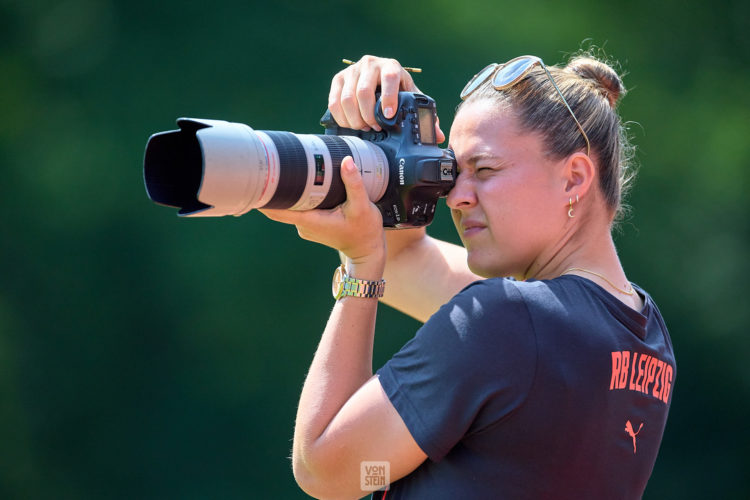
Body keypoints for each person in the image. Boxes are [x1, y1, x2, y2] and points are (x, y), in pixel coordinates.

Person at [261, 53, 675, 499]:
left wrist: (360, 268)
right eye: (453, 172)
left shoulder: (508, 320)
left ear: (574, 178)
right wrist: (396, 146)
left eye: (485, 170)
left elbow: (325, 469)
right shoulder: (644, 334)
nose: (455, 197)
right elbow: (403, 262)